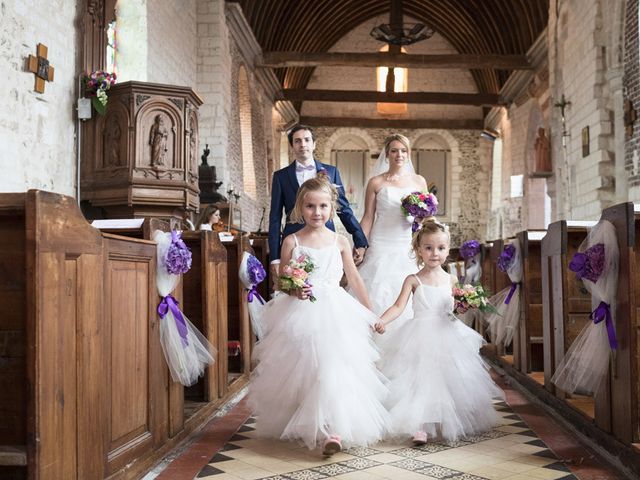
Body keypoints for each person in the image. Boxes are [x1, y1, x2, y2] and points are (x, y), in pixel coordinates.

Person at [250, 174, 390, 456]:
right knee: (308, 370)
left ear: (332, 208)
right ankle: (313, 422)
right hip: (301, 313)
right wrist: (294, 291)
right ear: (301, 208)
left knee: (334, 368)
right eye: (311, 206)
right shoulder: (292, 241)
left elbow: (354, 279)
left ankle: (332, 429)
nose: (317, 212)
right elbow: (283, 282)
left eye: (323, 206)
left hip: (336, 312)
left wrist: (370, 313)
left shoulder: (340, 242)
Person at [374, 218, 502, 444]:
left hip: (446, 333)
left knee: (445, 379)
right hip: (418, 335)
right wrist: (382, 320)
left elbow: (457, 307)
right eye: (429, 248)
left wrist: (466, 304)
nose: (435, 253)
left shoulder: (451, 279)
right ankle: (420, 426)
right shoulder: (413, 280)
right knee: (418, 380)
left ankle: (444, 420)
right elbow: (398, 306)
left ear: (447, 250)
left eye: (441, 248)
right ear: (418, 250)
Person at [268, 124, 368, 285]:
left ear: (314, 144)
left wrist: (360, 240)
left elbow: (344, 209)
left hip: (326, 241)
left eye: (307, 140)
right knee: (294, 291)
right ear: (292, 146)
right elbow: (274, 218)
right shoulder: (281, 176)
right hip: (294, 244)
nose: (303, 145)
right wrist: (275, 257)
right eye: (298, 141)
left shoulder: (331, 172)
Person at [356, 134, 427, 329]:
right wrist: (361, 245)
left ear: (409, 153)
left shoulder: (419, 181)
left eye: (403, 150)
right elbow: (368, 217)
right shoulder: (376, 182)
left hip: (406, 243)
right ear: (387, 154)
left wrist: (423, 220)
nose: (399, 154)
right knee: (377, 287)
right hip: (380, 242)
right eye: (394, 150)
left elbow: (426, 217)